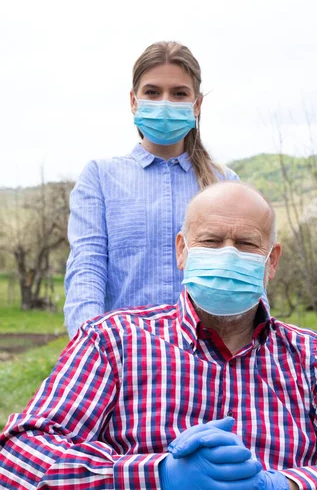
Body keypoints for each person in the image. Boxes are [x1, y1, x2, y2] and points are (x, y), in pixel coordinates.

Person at [1, 181, 317, 490]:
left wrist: (285, 489)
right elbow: (21, 452)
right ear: (182, 251)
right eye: (210, 241)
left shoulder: (312, 358)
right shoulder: (113, 342)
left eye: (246, 244)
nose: (228, 255)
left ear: (271, 261)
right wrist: (154, 477)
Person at [64, 40, 238, 339]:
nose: (165, 102)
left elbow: (244, 279)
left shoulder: (224, 184)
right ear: (134, 100)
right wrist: (89, 344)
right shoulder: (101, 178)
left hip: (207, 364)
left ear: (197, 104)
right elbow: (87, 270)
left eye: (179, 93)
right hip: (125, 359)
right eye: (152, 92)